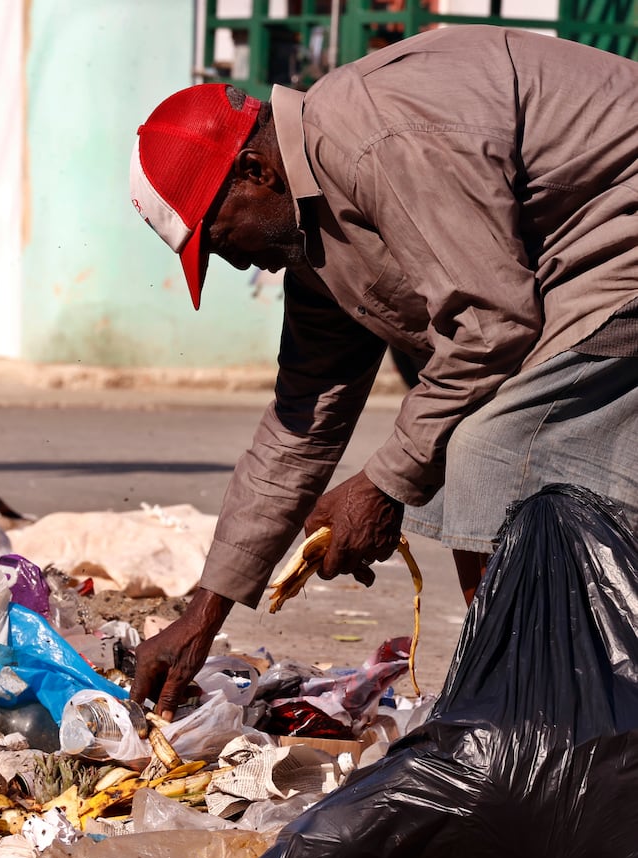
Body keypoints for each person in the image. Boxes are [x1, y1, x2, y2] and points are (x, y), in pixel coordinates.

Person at [128, 25, 638, 718]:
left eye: (221, 241)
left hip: (619, 234)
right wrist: (202, 617)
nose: (237, 264)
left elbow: (494, 321)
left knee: (485, 448)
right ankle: (530, 698)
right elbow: (298, 430)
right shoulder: (314, 240)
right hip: (578, 267)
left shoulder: (375, 134)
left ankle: (542, 711)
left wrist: (383, 484)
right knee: (453, 446)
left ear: (255, 171)